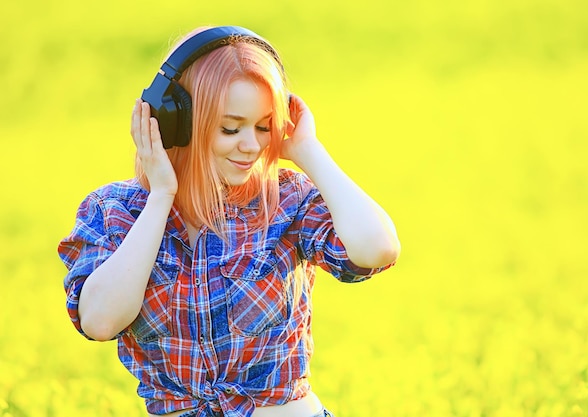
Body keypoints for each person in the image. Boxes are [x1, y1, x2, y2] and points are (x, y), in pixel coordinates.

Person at [58, 25, 400, 417]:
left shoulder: (286, 200)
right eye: (230, 128)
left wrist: (308, 150)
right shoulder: (115, 210)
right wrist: (161, 197)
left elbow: (378, 248)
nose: (252, 145)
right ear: (177, 121)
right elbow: (100, 321)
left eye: (263, 126)